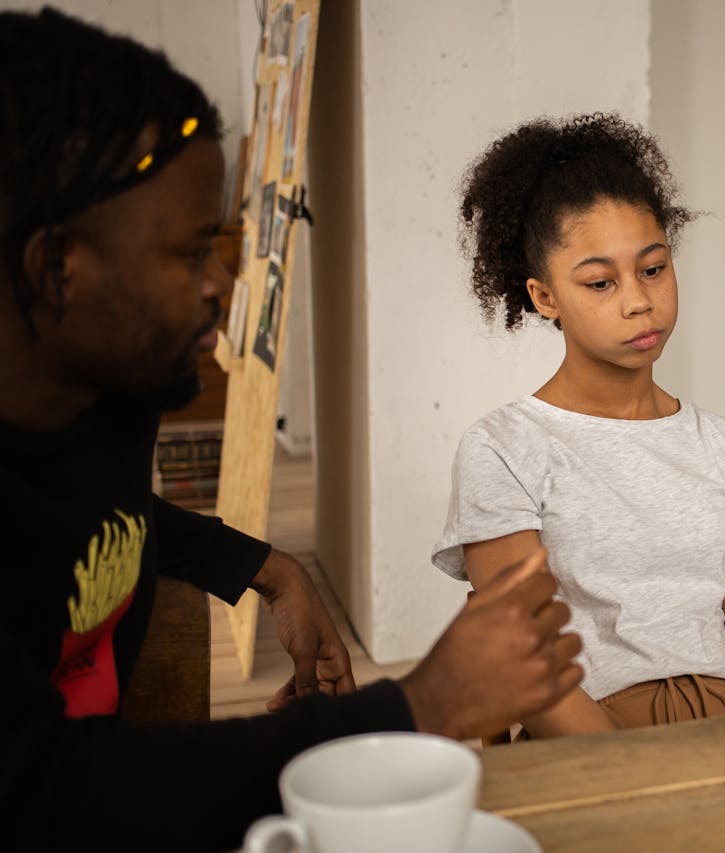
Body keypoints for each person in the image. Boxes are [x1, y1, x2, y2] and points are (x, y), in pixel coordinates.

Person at [0, 10, 582, 851]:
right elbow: (45, 792)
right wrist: (419, 705)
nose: (226, 280)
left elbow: (99, 517)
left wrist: (269, 570)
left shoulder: (97, 409)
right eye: (193, 250)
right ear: (57, 267)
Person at [431, 114, 725, 738]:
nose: (638, 300)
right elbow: (530, 664)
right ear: (545, 297)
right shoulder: (503, 449)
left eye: (653, 269)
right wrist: (628, 776)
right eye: (601, 283)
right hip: (588, 738)